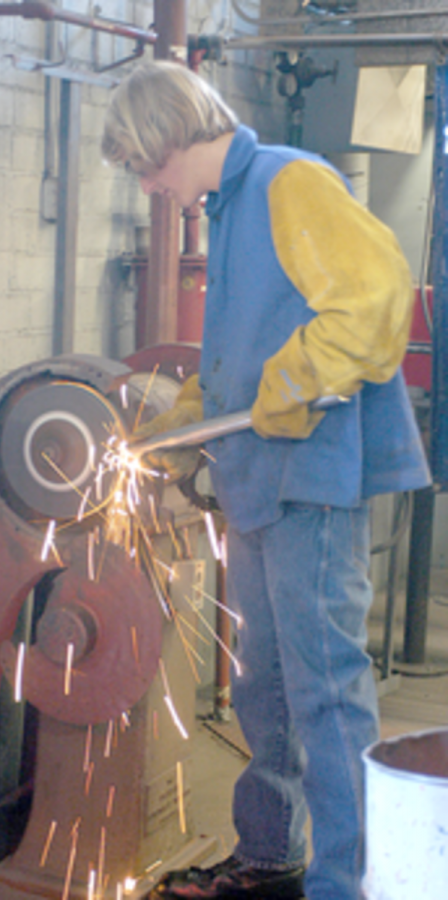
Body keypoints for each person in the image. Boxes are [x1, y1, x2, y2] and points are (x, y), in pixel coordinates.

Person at [101, 61, 430, 900]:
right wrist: (184, 426)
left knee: (323, 691)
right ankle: (272, 855)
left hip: (310, 480)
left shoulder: (288, 182)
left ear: (167, 136)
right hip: (256, 478)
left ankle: (346, 882)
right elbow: (237, 356)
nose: (152, 187)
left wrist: (291, 381)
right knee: (265, 686)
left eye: (147, 168)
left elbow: (375, 299)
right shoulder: (230, 209)